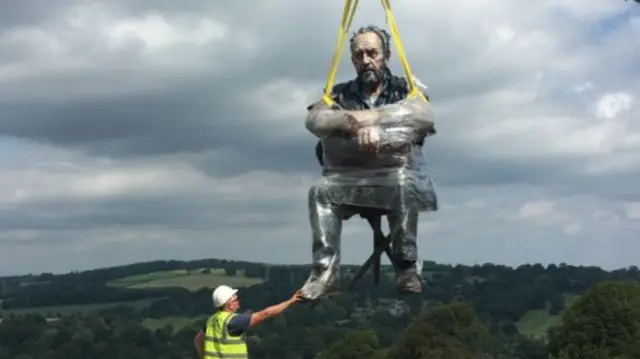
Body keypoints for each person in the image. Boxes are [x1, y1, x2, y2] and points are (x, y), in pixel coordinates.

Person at [301, 25, 438, 300]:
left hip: (392, 183)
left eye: (372, 53)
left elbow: (423, 118)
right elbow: (314, 120)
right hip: (350, 184)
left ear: (386, 54)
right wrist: (350, 124)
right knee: (320, 191)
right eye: (359, 55)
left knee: (402, 183)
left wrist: (378, 126)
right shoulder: (340, 94)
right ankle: (325, 273)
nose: (366, 61)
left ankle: (406, 266)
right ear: (352, 60)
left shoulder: (405, 89)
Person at [193, 285, 305, 359]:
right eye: (236, 299)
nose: (238, 301)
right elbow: (265, 314)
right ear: (229, 304)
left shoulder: (212, 320)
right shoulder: (234, 322)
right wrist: (290, 301)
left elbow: (198, 340)